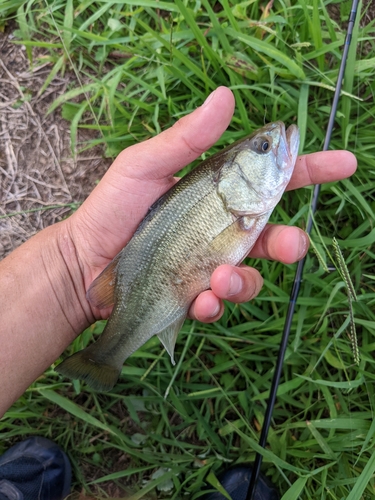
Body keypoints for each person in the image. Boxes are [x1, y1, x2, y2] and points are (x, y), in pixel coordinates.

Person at [0, 87, 357, 499]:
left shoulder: (237, 206)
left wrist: (71, 267)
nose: (273, 142)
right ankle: (104, 358)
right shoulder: (230, 206)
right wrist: (76, 262)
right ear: (232, 179)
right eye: (263, 147)